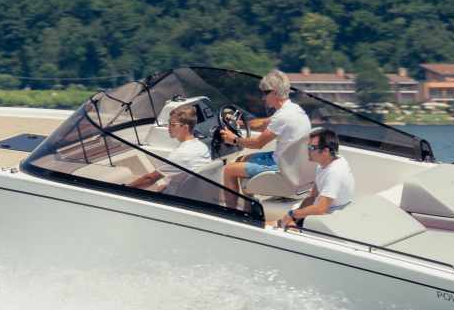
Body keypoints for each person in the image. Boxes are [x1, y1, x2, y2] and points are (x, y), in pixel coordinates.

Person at [220, 69, 311, 205]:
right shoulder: (294, 109)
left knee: (229, 170)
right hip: (291, 162)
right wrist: (238, 123)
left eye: (265, 93)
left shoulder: (283, 117)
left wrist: (233, 139)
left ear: (274, 92)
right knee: (241, 159)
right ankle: (249, 208)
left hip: (281, 167)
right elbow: (263, 124)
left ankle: (231, 212)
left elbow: (258, 143)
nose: (263, 98)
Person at [277, 128, 354, 229]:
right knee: (284, 221)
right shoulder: (324, 163)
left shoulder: (334, 172)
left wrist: (292, 214)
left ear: (326, 151)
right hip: (326, 208)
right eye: (308, 147)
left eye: (312, 148)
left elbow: (321, 209)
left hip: (333, 216)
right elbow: (313, 196)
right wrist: (294, 217)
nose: (308, 151)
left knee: (284, 223)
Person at [129, 105, 211, 191]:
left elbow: (149, 179)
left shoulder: (181, 154)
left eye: (172, 125)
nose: (168, 127)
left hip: (181, 195)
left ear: (185, 127)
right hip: (195, 190)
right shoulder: (203, 147)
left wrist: (125, 188)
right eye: (168, 123)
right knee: (162, 186)